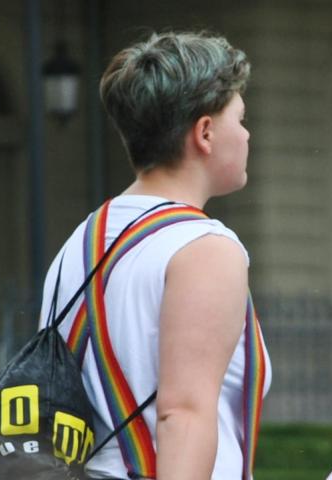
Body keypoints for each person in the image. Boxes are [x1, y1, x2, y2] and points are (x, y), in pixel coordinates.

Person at [37, 30, 267, 479]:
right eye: (239, 118)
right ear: (204, 132)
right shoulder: (205, 249)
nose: (246, 133)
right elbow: (183, 414)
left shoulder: (77, 246)